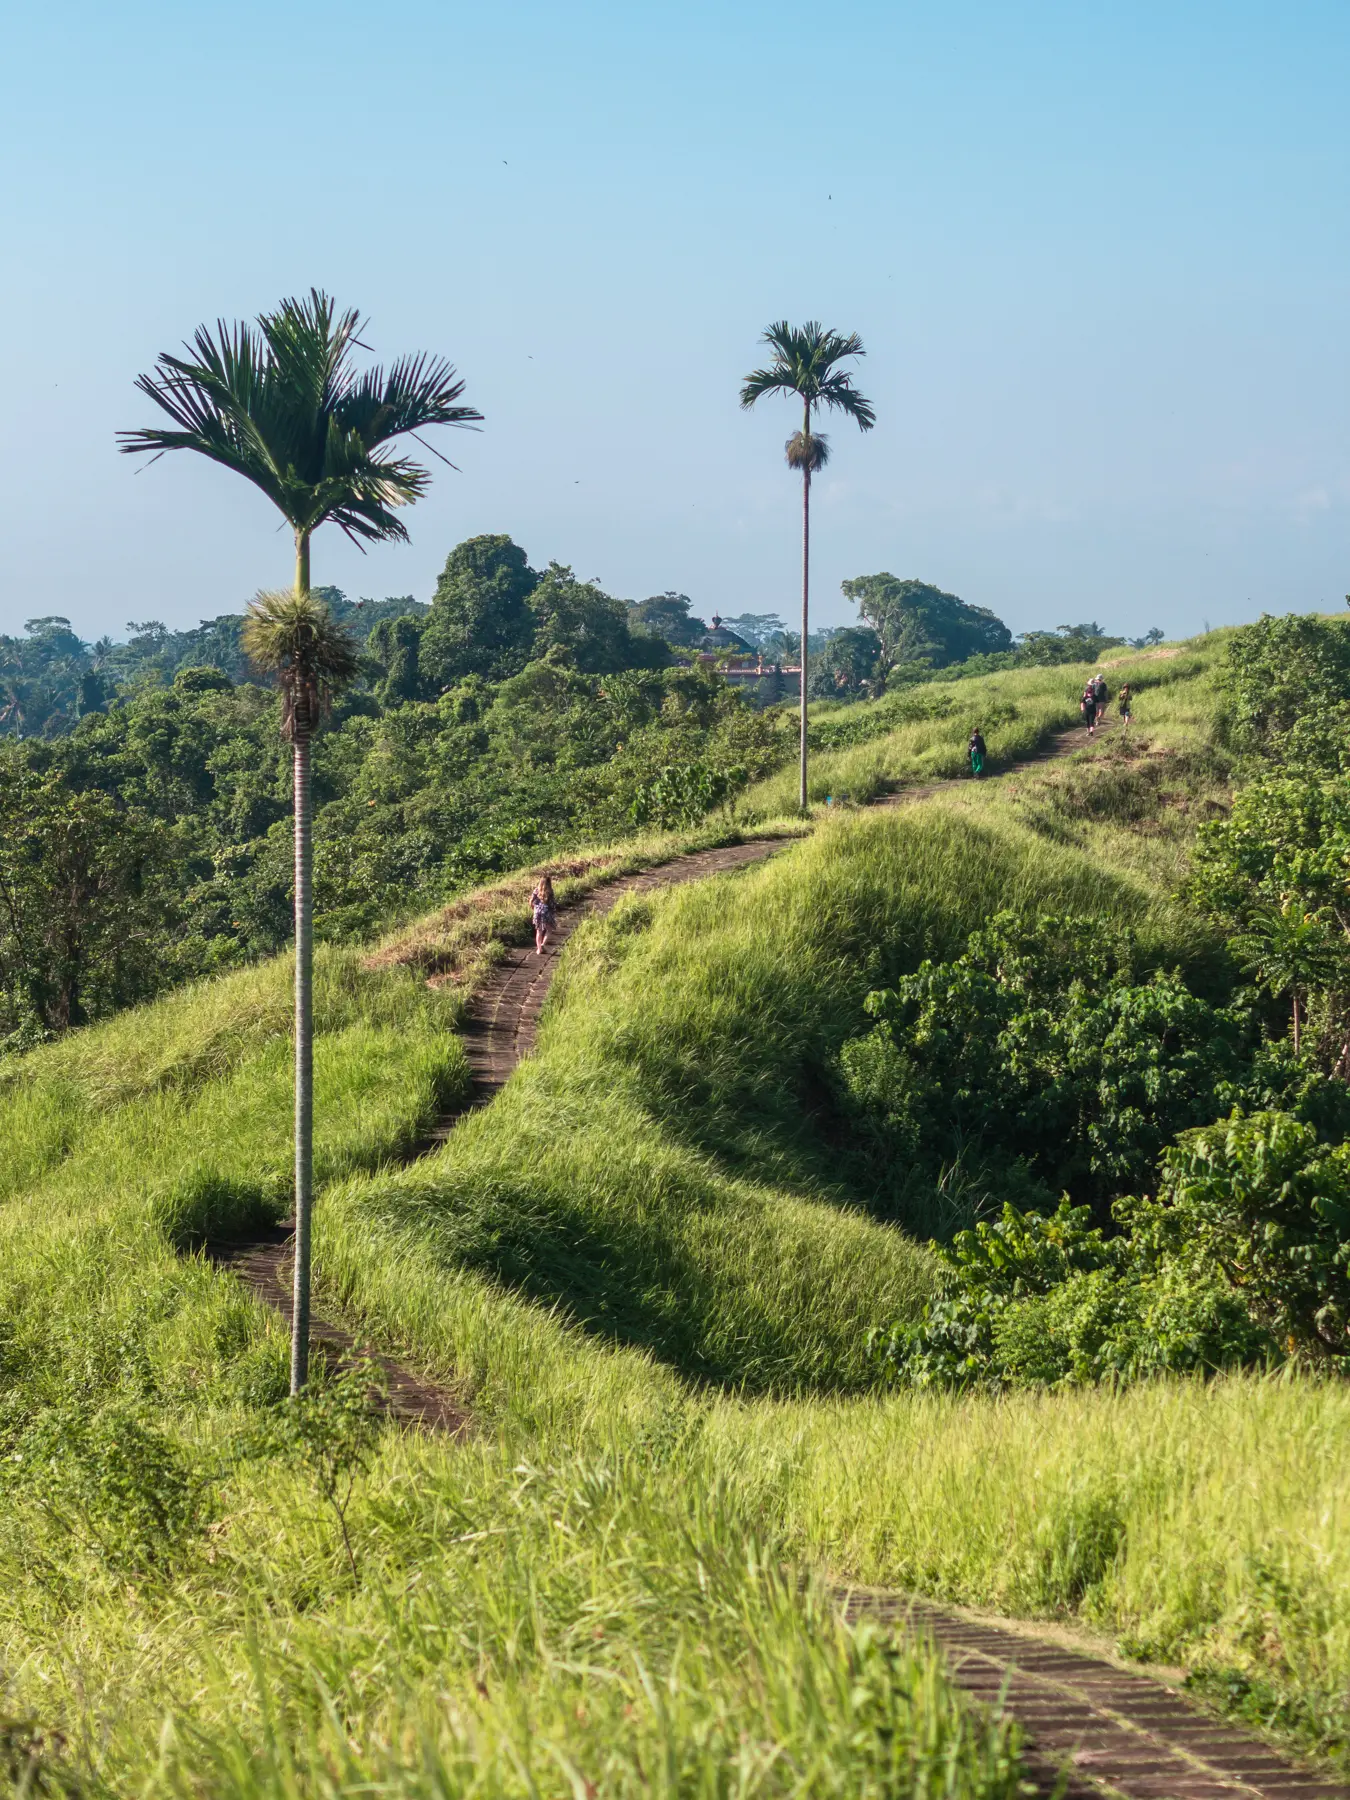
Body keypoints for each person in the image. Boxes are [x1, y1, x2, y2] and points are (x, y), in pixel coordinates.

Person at [531, 873, 557, 956]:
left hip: (537, 913)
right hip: (547, 912)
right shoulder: (550, 892)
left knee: (539, 931)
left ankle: (539, 949)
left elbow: (531, 901)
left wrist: (534, 909)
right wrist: (553, 911)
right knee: (549, 929)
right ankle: (543, 944)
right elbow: (552, 904)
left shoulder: (536, 890)